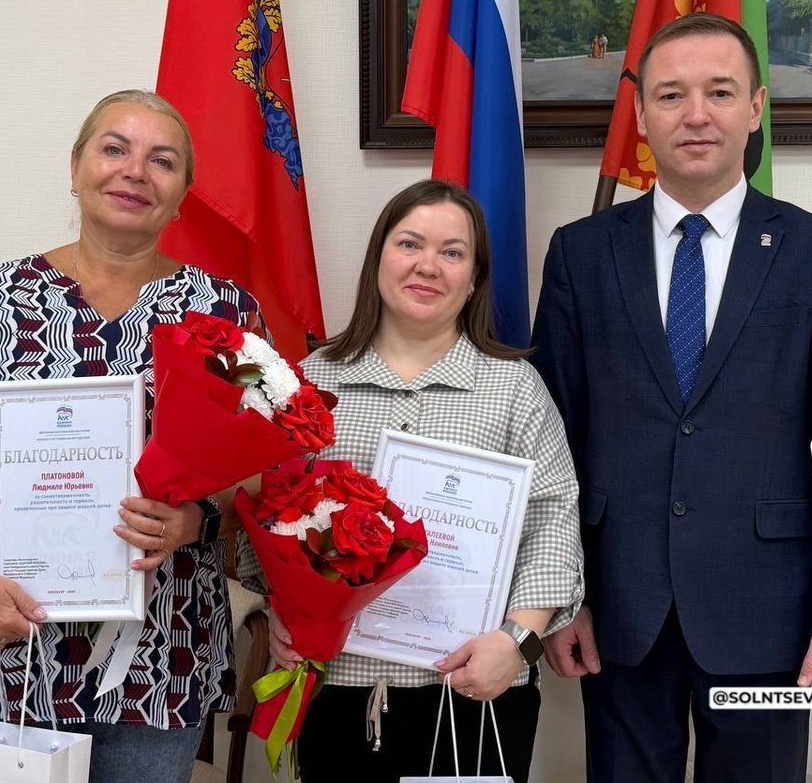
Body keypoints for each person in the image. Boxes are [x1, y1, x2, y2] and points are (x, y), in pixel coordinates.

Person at [529, 13, 812, 783]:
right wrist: (558, 598)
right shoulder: (581, 253)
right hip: (620, 609)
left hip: (768, 614)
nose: (696, 114)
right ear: (641, 116)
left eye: (720, 92)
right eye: (671, 95)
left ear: (755, 108)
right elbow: (552, 448)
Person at [0, 90, 265, 783]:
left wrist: (195, 519)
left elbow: (261, 469)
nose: (135, 171)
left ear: (183, 193)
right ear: (75, 166)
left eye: (162, 161)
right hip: (3, 645)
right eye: (114, 149)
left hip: (161, 656)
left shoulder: (225, 312)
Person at [246, 179, 584, 783]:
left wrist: (518, 643)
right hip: (338, 686)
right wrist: (279, 614)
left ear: (474, 278)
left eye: (453, 252)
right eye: (410, 244)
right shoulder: (308, 385)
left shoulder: (515, 389)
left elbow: (553, 526)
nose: (429, 265)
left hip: (476, 689)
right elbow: (267, 522)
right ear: (378, 258)